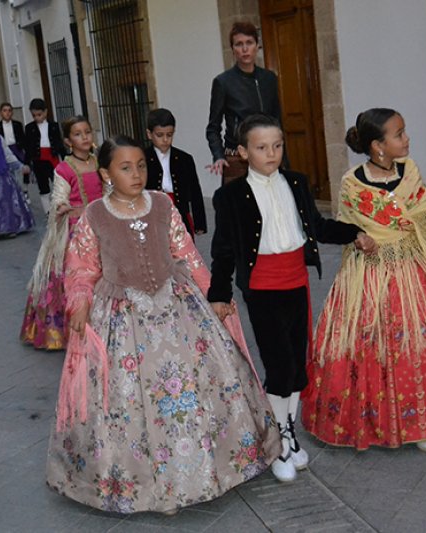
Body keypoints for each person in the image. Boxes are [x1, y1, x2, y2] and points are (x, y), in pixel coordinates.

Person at [46, 135, 280, 514]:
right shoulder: (94, 216)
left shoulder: (161, 204)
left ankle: (203, 471)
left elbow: (185, 251)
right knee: (134, 403)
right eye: (125, 168)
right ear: (106, 173)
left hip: (178, 310)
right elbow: (81, 268)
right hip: (123, 319)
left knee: (194, 390)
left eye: (140, 165)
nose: (136, 174)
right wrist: (79, 302)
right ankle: (153, 487)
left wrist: (211, 292)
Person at [301, 108, 426, 452]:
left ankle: (425, 422)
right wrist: (357, 237)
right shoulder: (352, 182)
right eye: (399, 134)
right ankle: (371, 419)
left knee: (421, 346)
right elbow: (346, 225)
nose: (407, 139)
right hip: (368, 278)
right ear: (378, 146)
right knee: (374, 347)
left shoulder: (409, 172)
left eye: (404, 132)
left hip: (413, 272)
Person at [208, 114, 377, 482]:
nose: (272, 153)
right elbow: (222, 250)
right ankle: (277, 441)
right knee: (279, 367)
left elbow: (317, 227)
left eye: (277, 145)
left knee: (297, 366)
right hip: (263, 288)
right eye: (261, 147)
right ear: (242, 151)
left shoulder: (297, 183)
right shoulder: (230, 196)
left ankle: (289, 433)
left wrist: (355, 233)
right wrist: (219, 293)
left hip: (296, 283)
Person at [21, 116, 103, 351]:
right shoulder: (64, 168)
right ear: (68, 141)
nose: (85, 137)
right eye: (78, 134)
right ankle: (67, 329)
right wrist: (61, 207)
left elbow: (107, 190)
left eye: (87, 132)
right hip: (75, 231)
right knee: (72, 277)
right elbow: (59, 197)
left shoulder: (100, 163)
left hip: (100, 227)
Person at [206, 21, 284, 185]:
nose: (245, 49)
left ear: (257, 46)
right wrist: (219, 156)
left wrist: (283, 156)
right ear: (233, 49)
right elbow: (213, 127)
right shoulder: (223, 82)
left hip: (267, 153)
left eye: (249, 43)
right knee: (239, 208)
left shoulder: (269, 78)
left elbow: (277, 121)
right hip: (237, 156)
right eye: (239, 44)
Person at [144, 108, 207, 238]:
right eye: (160, 135)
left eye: (169, 135)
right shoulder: (142, 158)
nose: (165, 140)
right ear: (149, 134)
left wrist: (200, 223)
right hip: (152, 214)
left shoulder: (184, 159)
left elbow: (195, 191)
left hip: (180, 211)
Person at [24, 98, 66, 213]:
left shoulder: (54, 126)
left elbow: (59, 144)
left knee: (58, 184)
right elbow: (28, 147)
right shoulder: (29, 128)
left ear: (46, 112)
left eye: (39, 114)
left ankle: (60, 207)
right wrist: (26, 163)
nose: (37, 117)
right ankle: (48, 212)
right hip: (38, 160)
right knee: (43, 187)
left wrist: (66, 159)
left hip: (52, 158)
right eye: (34, 115)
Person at [0, 102, 29, 196]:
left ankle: (24, 190)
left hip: (17, 148)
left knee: (22, 169)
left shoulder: (17, 124)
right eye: (5, 111)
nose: (7, 113)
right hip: (5, 150)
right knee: (9, 172)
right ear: (0, 113)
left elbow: (23, 138)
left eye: (9, 111)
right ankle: (12, 192)